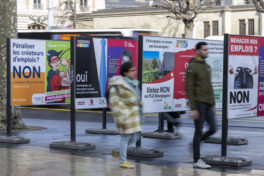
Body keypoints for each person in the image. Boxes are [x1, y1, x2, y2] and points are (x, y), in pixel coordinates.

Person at [185, 42, 216, 169]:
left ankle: (194, 145)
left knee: (213, 128)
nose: (206, 51)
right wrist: (193, 108)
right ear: (197, 51)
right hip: (198, 103)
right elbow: (189, 88)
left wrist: (213, 103)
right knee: (198, 131)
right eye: (204, 50)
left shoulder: (207, 66)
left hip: (208, 103)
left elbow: (209, 86)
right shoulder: (192, 66)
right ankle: (197, 160)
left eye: (207, 49)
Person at [109, 61, 142, 169]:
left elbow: (133, 98)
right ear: (125, 72)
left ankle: (118, 151)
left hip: (133, 115)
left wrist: (138, 103)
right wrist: (122, 117)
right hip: (125, 116)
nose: (134, 72)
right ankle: (123, 161)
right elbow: (114, 102)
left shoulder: (133, 83)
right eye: (132, 71)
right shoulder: (118, 85)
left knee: (136, 136)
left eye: (134, 70)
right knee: (125, 138)